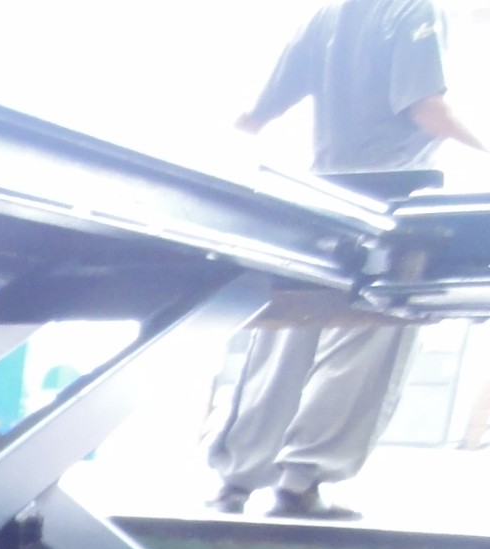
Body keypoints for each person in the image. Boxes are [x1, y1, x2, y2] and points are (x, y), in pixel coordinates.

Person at [207, 0, 483, 518]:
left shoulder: (326, 15)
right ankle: (301, 479)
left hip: (320, 201)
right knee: (372, 334)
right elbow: (427, 111)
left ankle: (237, 479)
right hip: (391, 204)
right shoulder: (414, 9)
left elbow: (253, 118)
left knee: (289, 329)